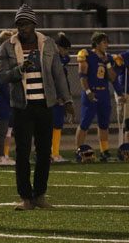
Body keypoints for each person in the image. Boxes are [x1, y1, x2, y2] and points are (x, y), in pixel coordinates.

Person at [0, 4, 75, 210]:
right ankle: (26, 197)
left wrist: (67, 100)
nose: (22, 28)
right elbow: (2, 76)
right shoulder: (7, 46)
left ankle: (39, 194)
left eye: (26, 24)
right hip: (22, 106)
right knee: (22, 152)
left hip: (44, 104)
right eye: (19, 24)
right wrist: (19, 69)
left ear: (34, 25)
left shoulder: (48, 43)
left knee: (43, 152)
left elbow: (58, 74)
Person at [75, 31, 116, 161]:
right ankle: (79, 150)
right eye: (104, 42)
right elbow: (82, 76)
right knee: (85, 122)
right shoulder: (87, 55)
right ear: (97, 43)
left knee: (104, 123)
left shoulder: (107, 58)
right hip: (91, 92)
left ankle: (104, 150)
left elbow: (113, 77)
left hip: (104, 92)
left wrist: (107, 63)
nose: (107, 45)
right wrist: (88, 92)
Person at [50, 31, 73, 162]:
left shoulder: (62, 59)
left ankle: (55, 152)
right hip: (51, 96)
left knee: (58, 124)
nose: (66, 52)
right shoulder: (51, 58)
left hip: (60, 96)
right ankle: (47, 153)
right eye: (64, 49)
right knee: (48, 125)